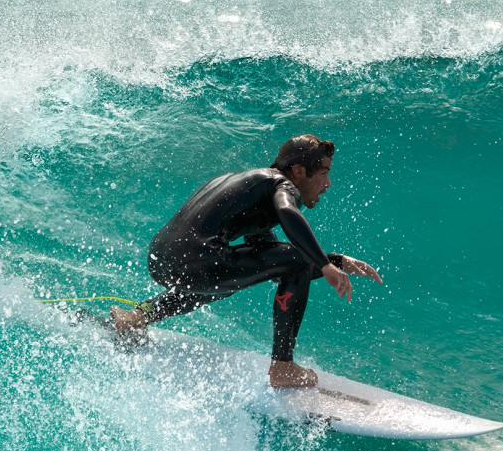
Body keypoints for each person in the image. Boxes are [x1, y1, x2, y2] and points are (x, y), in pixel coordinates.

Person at [110, 135, 383, 388]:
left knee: (225, 280)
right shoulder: (281, 185)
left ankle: (136, 317)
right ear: (299, 171)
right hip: (197, 260)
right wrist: (324, 265)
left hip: (161, 258)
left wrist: (335, 260)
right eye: (323, 173)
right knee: (287, 261)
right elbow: (289, 216)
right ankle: (282, 366)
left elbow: (276, 265)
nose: (327, 184)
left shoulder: (250, 187)